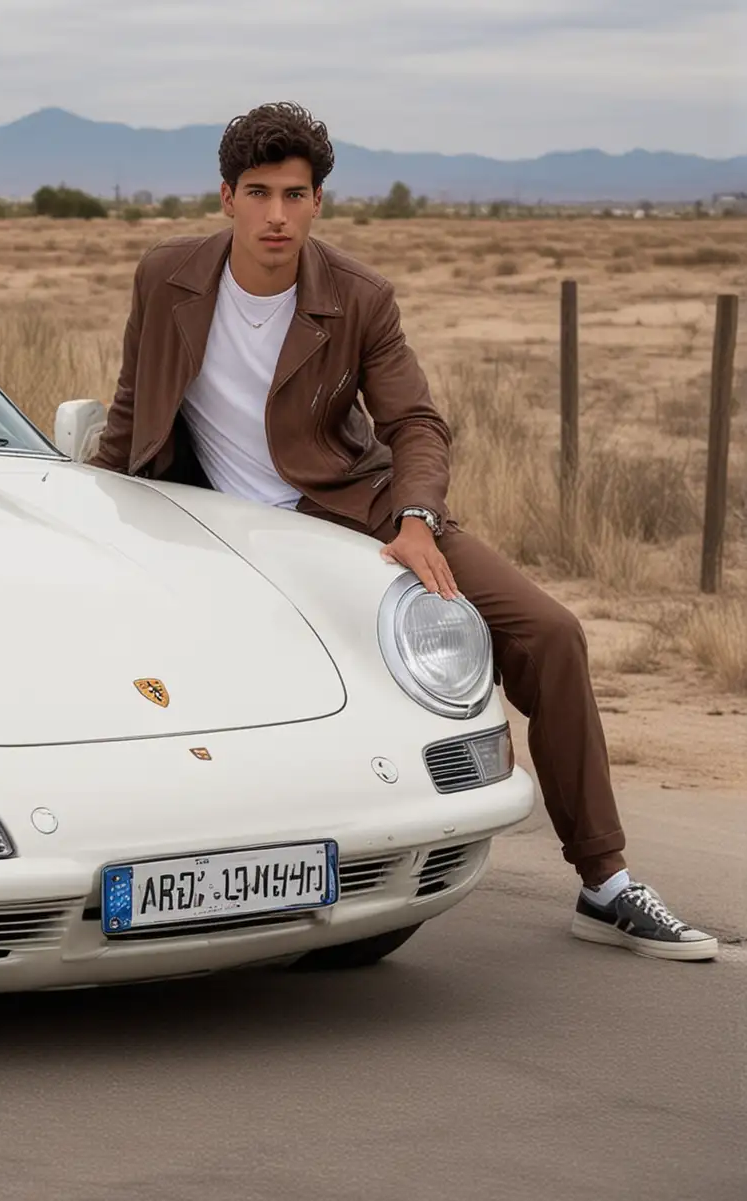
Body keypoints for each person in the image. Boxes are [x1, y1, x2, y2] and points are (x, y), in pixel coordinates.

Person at [88, 101, 714, 962]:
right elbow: (133, 407)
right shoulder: (166, 278)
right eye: (260, 193)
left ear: (318, 203)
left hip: (355, 512)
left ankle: (604, 882)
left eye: (297, 195)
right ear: (226, 197)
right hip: (213, 528)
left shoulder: (358, 298)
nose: (278, 216)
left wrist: (418, 518)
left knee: (551, 632)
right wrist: (85, 498)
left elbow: (416, 420)